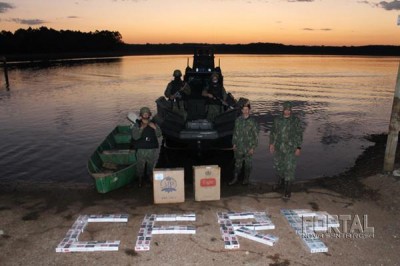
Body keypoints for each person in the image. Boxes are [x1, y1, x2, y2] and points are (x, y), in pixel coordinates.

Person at [269, 101, 303, 199]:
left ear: (291, 110)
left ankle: (288, 191)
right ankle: (280, 184)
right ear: (283, 109)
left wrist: (298, 147)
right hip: (279, 148)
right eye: (285, 110)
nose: (287, 112)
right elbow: (273, 132)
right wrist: (271, 144)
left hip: (291, 149)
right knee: (279, 167)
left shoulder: (295, 120)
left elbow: (299, 135)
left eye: (289, 110)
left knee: (289, 169)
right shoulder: (278, 120)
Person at [228, 101, 259, 186]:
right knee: (237, 163)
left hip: (248, 147)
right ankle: (235, 178)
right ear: (241, 110)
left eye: (247, 109)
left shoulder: (253, 122)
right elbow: (235, 133)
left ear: (249, 110)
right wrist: (234, 144)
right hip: (239, 146)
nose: (245, 111)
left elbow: (255, 135)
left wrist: (253, 147)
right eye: (244, 109)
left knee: (248, 164)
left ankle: (246, 179)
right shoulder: (238, 120)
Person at [131, 107, 162, 188]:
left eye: (147, 113)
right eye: (144, 113)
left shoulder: (154, 123)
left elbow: (159, 134)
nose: (145, 115)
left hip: (151, 150)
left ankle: (150, 178)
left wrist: (155, 127)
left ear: (149, 115)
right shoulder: (137, 125)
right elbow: (135, 137)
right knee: (140, 166)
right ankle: (140, 181)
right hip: (141, 149)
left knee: (151, 166)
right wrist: (141, 128)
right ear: (141, 115)